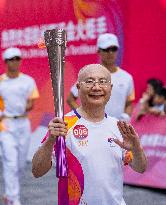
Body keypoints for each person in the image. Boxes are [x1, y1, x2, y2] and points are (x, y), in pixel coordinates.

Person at [32, 64, 147, 205]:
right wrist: (50, 141)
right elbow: (37, 171)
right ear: (78, 87)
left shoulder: (118, 126)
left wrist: (136, 148)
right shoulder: (63, 125)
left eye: (102, 82)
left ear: (110, 89)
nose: (96, 87)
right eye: (89, 81)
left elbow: (141, 168)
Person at [0, 47, 39, 205]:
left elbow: (31, 102)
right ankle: (13, 198)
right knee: (10, 162)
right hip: (6, 124)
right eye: (11, 59)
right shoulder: (1, 82)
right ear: (6, 62)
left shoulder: (28, 81)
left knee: (20, 164)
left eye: (17, 58)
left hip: (23, 123)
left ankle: (10, 193)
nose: (15, 62)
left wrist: (25, 106)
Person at [67, 33, 135, 121]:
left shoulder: (127, 78)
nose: (110, 53)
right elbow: (70, 99)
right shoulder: (89, 74)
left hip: (117, 129)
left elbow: (129, 102)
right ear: (98, 51)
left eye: (113, 49)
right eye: (106, 49)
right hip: (94, 127)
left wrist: (126, 117)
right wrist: (84, 117)